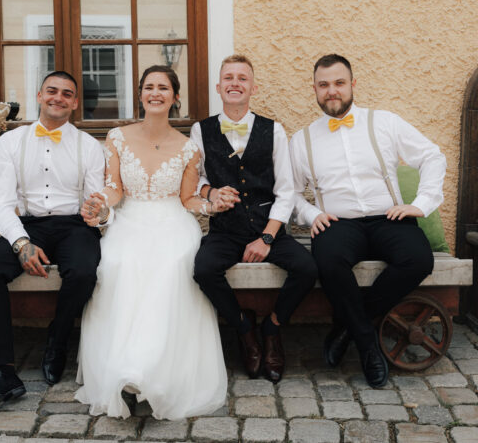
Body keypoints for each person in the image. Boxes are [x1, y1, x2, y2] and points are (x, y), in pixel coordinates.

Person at [74, 65, 228, 420]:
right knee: (118, 262)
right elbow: (115, 188)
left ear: (175, 97)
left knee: (172, 264)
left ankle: (155, 373)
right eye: (149, 87)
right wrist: (101, 202)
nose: (155, 93)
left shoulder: (189, 148)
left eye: (163, 88)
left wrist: (212, 206)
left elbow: (188, 199)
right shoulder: (117, 137)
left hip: (174, 222)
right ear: (141, 94)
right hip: (130, 220)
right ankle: (122, 371)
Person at [289, 54, 447, 388]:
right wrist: (312, 214)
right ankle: (367, 346)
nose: (332, 91)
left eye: (339, 83)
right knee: (328, 262)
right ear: (315, 89)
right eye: (324, 85)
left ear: (352, 85)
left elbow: (432, 156)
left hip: (389, 217)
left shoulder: (384, 122)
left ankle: (347, 326)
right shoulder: (302, 140)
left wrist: (421, 204)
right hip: (338, 223)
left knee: (419, 259)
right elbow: (289, 193)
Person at [0, 71, 107, 409]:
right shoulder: (10, 142)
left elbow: (96, 205)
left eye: (67, 94)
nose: (58, 98)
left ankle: (57, 341)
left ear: (75, 103)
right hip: (27, 224)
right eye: (52, 91)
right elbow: (2, 204)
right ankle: (3, 372)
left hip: (74, 225)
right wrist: (21, 243)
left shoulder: (89, 146)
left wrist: (100, 214)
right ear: (39, 96)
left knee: (84, 272)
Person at [190, 54, 318, 383]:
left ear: (253, 88)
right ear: (218, 87)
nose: (235, 83)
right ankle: (244, 328)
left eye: (242, 78)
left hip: (267, 227)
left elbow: (286, 190)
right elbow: (196, 179)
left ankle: (272, 328)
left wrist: (267, 238)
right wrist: (211, 193)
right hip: (225, 229)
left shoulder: (274, 130)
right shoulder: (200, 130)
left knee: (307, 268)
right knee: (203, 269)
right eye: (229, 78)